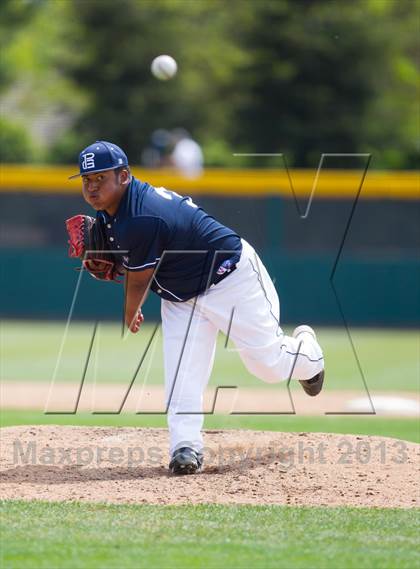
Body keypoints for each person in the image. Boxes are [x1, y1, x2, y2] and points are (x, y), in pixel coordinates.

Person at [67, 140, 325, 475]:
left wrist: (130, 313)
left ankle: (309, 354)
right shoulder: (115, 214)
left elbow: (139, 277)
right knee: (180, 377)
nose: (92, 186)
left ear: (125, 176)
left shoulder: (140, 216)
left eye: (100, 178)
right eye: (87, 180)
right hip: (181, 298)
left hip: (231, 280)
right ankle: (185, 447)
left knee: (268, 365)